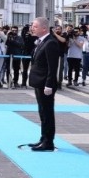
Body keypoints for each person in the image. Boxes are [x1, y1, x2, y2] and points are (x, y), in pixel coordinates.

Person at [26, 17, 60, 152]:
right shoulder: (41, 41)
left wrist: (49, 85)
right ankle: (43, 138)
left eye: (35, 26)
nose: (32, 28)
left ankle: (48, 142)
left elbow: (53, 67)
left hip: (45, 83)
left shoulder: (50, 42)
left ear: (44, 28)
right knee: (42, 112)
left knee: (47, 113)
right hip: (38, 82)